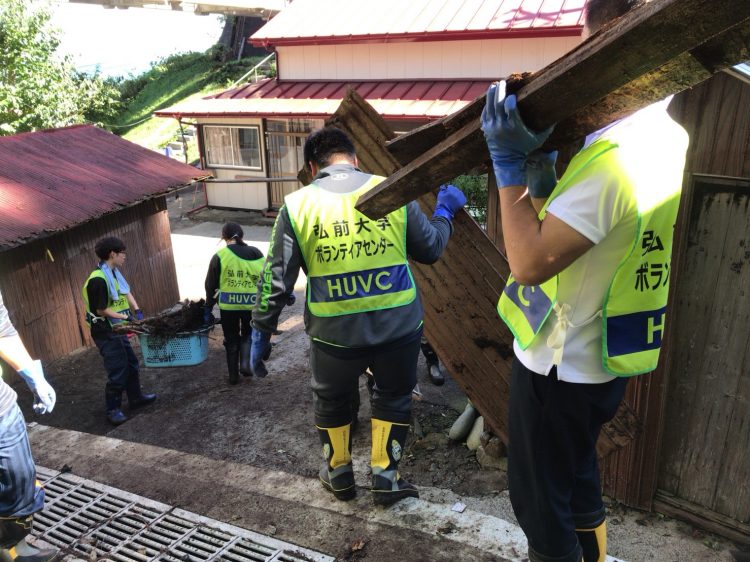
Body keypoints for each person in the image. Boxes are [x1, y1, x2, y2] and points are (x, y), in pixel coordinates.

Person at [480, 1, 689, 560]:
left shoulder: (614, 158)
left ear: (612, 48)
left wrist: (507, 169)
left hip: (558, 364)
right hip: (602, 358)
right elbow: (587, 236)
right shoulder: (666, 137)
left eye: (582, 44)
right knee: (575, 476)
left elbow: (528, 263)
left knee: (540, 504)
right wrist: (545, 188)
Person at [251, 126, 466, 506]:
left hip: (335, 334)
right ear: (355, 160)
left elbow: (275, 279)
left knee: (331, 401)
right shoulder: (391, 191)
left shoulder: (298, 205)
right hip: (398, 327)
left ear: (313, 167)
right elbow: (430, 249)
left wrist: (261, 331)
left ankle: (339, 475)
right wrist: (445, 211)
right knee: (394, 398)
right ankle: (386, 477)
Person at [0, 291, 57, 562]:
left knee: (19, 481)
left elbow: (2, 329)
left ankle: (14, 547)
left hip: (1, 409)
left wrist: (32, 376)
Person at [82, 237, 156, 426]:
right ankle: (112, 409)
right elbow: (101, 310)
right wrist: (127, 318)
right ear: (112, 254)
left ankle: (135, 398)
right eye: (122, 253)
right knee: (118, 368)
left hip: (118, 328)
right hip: (105, 331)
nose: (124, 257)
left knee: (131, 362)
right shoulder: (98, 280)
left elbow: (125, 291)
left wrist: (137, 310)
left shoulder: (113, 272)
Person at [204, 222, 269, 385]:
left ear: (224, 238)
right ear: (242, 236)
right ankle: (246, 365)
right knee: (248, 334)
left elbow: (211, 285)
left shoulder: (220, 256)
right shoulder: (257, 253)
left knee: (231, 339)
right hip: (251, 305)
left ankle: (233, 376)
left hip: (228, 307)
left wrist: (208, 307)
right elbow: (267, 278)